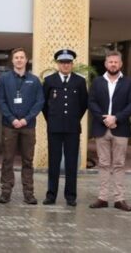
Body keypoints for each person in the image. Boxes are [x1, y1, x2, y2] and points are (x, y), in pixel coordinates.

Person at [88, 50, 131, 211]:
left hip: (120, 128)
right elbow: (92, 102)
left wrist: (116, 118)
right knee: (103, 164)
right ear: (105, 64)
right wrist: (105, 119)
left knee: (119, 164)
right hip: (101, 128)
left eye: (116, 62)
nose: (113, 64)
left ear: (121, 64)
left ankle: (119, 199)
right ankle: (102, 198)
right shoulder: (97, 82)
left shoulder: (129, 83)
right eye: (110, 62)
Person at [0, 47, 45, 204]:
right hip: (9, 126)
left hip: (28, 126)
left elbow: (40, 102)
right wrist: (12, 119)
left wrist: (26, 119)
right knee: (7, 159)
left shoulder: (34, 80)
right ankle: (5, 191)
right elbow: (1, 101)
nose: (19, 60)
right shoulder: (4, 79)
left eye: (22, 57)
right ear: (12, 60)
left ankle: (28, 193)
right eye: (16, 57)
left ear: (26, 60)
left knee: (28, 161)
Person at [42, 48, 89, 206]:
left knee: (71, 162)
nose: (65, 65)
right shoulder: (49, 80)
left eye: (68, 62)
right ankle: (51, 195)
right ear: (57, 64)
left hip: (72, 128)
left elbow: (83, 104)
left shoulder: (79, 81)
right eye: (62, 62)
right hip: (54, 128)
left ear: (72, 64)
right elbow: (44, 105)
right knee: (53, 162)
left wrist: (74, 118)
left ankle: (71, 196)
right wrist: (52, 120)